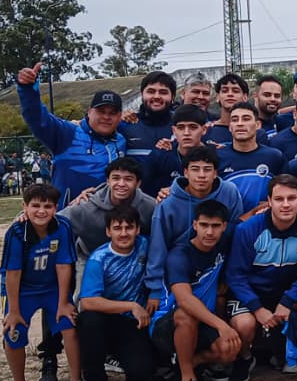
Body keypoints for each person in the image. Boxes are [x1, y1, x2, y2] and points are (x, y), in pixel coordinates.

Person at [226, 175, 297, 381]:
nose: (286, 205)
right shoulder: (247, 229)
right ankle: (244, 357)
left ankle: (296, 353)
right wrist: (257, 308)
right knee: (244, 324)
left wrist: (288, 301)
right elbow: (236, 275)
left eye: (291, 198)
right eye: (279, 199)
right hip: (252, 291)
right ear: (269, 201)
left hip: (288, 291)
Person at [148, 200, 242, 381]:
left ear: (224, 227)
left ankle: (183, 363)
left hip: (202, 323)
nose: (209, 232)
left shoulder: (224, 240)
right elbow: (184, 299)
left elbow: (247, 217)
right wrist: (221, 325)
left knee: (229, 350)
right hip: (167, 324)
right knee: (186, 313)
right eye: (204, 225)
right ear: (195, 225)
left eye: (216, 226)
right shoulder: (179, 255)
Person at [0, 184, 82, 381]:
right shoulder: (17, 232)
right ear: (24, 207)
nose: (41, 211)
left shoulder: (63, 226)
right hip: (22, 289)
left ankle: (77, 379)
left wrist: (64, 301)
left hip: (52, 287)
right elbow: (12, 273)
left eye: (47, 206)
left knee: (69, 324)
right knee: (13, 330)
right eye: (35, 206)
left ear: (56, 208)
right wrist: (14, 309)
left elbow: (64, 266)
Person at [144, 145, 245, 306]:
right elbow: (158, 247)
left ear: (215, 173)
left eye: (207, 170)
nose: (201, 175)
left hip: (217, 266)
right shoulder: (167, 204)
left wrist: (228, 276)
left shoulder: (229, 192)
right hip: (179, 268)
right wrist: (155, 289)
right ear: (186, 172)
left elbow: (236, 235)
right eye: (195, 169)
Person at [76, 205, 156, 381]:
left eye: (129, 228)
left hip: (132, 324)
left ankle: (117, 356)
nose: (123, 233)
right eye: (117, 228)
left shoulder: (145, 246)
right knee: (89, 320)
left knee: (141, 375)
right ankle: (96, 380)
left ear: (137, 229)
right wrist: (130, 306)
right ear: (108, 231)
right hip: (106, 320)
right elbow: (88, 301)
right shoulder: (99, 259)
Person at [16, 62, 126, 204]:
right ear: (89, 111)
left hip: (111, 220)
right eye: (101, 111)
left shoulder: (122, 140)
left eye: (112, 113)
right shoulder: (67, 133)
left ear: (119, 116)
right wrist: (28, 89)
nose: (106, 117)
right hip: (69, 218)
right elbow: (37, 119)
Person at [59, 157, 156, 270]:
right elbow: (55, 222)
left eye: (128, 179)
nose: (121, 184)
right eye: (116, 178)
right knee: (86, 287)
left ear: (138, 183)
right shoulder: (86, 206)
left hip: (133, 260)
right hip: (90, 259)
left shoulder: (150, 206)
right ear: (108, 181)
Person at [217, 102, 287, 212]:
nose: (240, 124)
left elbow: (285, 191)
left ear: (258, 125)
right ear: (230, 127)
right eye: (235, 120)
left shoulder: (274, 157)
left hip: (263, 222)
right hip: (226, 223)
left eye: (246, 119)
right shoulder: (218, 157)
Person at [142, 104, 210, 197]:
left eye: (193, 127)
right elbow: (144, 191)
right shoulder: (159, 156)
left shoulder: (215, 156)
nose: (186, 133)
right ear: (174, 130)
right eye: (181, 127)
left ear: (204, 129)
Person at [119, 70, 177, 161]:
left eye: (163, 92)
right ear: (142, 94)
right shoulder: (125, 124)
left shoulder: (182, 126)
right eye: (151, 91)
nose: (157, 96)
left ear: (173, 97)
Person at [203, 73, 251, 147]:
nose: (230, 94)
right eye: (225, 91)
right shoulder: (206, 130)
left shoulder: (254, 130)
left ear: (245, 97)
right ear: (217, 97)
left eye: (235, 91)